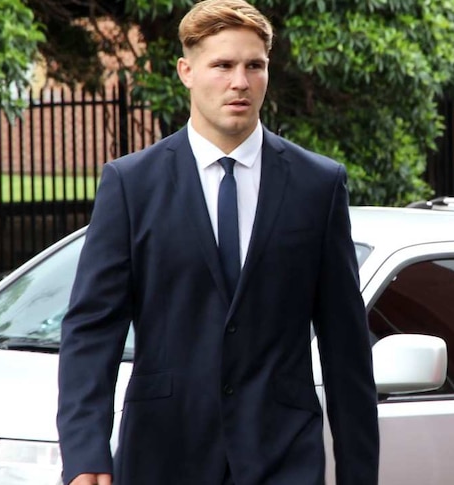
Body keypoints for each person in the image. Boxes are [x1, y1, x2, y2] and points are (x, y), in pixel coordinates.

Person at [56, 1, 379, 484]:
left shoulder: (319, 185)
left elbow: (345, 343)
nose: (240, 82)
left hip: (282, 456)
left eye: (255, 66)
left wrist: (358, 473)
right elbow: (91, 331)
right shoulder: (131, 184)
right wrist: (86, 453)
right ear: (187, 71)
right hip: (164, 454)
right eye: (223, 65)